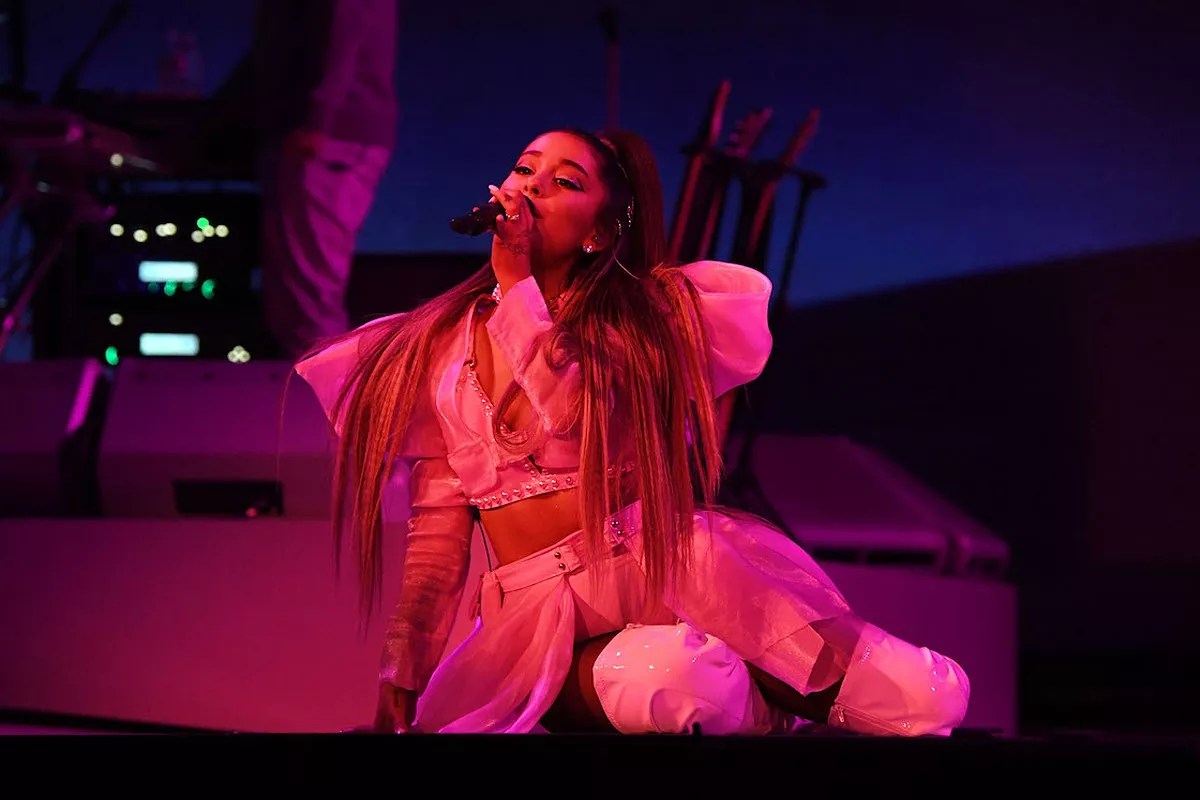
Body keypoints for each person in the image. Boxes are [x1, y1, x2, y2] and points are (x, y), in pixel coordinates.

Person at [294, 128, 971, 735]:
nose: (532, 186)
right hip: (543, 620)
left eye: (564, 181)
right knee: (682, 681)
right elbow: (436, 549)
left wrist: (518, 285)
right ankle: (764, 710)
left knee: (927, 698)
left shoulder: (645, 325)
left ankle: (774, 690)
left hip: (680, 572)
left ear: (598, 233)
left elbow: (570, 408)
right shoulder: (440, 353)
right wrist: (401, 677)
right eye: (525, 168)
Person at [208, 0, 398, 359]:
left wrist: (318, 118)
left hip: (327, 136)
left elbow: (342, 29)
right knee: (296, 298)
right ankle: (309, 387)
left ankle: (323, 391)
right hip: (317, 133)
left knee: (308, 301)